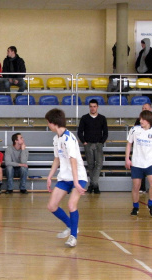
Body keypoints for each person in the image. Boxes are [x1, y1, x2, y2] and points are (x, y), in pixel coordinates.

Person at [45, 108, 87, 248]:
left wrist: (76, 181)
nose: (47, 125)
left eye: (48, 122)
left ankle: (73, 236)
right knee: (51, 206)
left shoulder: (69, 138)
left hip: (78, 176)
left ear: (53, 123)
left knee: (71, 205)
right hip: (64, 177)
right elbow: (57, 158)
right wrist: (50, 176)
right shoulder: (56, 139)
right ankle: (71, 226)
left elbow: (73, 161)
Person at [125, 110, 152, 217]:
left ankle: (151, 204)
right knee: (136, 186)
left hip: (151, 162)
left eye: (143, 119)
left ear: (148, 120)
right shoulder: (134, 130)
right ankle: (135, 207)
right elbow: (129, 144)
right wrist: (127, 159)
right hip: (137, 162)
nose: (140, 121)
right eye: (140, 119)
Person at [77, 99, 108, 194]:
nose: (92, 108)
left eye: (94, 106)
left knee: (99, 164)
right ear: (89, 107)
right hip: (88, 144)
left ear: (97, 107)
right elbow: (79, 132)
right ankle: (95, 186)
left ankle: (93, 184)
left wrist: (101, 142)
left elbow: (105, 132)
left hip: (98, 144)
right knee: (90, 165)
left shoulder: (102, 118)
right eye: (91, 106)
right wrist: (84, 142)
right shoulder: (84, 118)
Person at [134, 103, 152, 194]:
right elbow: (134, 135)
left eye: (146, 108)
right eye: (142, 108)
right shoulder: (138, 121)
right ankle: (141, 187)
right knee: (140, 168)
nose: (144, 109)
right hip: (141, 150)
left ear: (150, 109)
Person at [135, 38, 152, 102]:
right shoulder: (141, 52)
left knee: (150, 89)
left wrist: (150, 72)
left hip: (148, 74)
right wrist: (137, 69)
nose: (142, 45)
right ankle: (145, 102)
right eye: (141, 43)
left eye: (143, 43)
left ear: (147, 43)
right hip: (141, 74)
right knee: (144, 90)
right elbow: (138, 62)